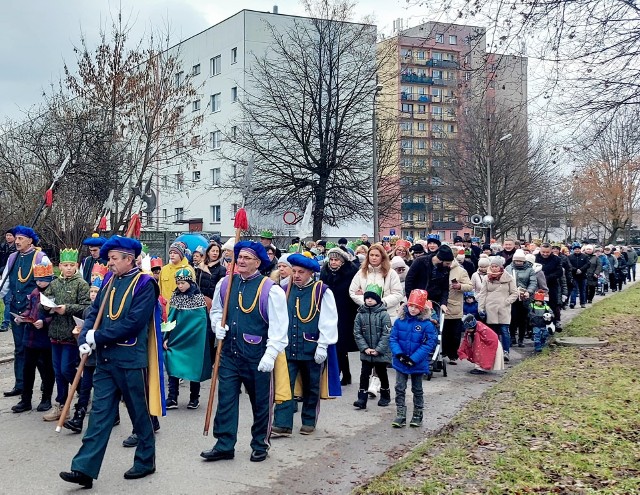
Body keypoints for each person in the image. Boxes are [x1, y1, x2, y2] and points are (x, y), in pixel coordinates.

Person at [60, 235, 164, 488]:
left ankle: (146, 460)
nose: (110, 263)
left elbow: (133, 323)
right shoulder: (109, 280)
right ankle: (84, 468)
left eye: (114, 259)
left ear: (129, 259)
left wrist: (99, 336)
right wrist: (85, 336)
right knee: (99, 414)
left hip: (130, 359)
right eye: (109, 259)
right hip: (105, 359)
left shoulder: (146, 284)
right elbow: (93, 312)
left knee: (139, 413)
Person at [201, 241, 289, 463]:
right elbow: (218, 310)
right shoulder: (225, 283)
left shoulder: (271, 289)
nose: (240, 261)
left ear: (258, 262)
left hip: (257, 355)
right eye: (239, 257)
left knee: (260, 403)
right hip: (229, 353)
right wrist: (216, 326)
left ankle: (260, 444)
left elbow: (279, 327)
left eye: (246, 258)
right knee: (226, 400)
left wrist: (270, 354)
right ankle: (224, 444)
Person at [271, 254, 338, 437]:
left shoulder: (322, 291)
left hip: (312, 347)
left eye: (301, 272)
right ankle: (282, 424)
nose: (296, 275)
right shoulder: (284, 288)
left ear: (310, 273)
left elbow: (329, 320)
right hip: (289, 346)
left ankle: (308, 420)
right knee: (285, 384)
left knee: (311, 386)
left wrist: (323, 345)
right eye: (294, 271)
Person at [41, 248, 91, 421]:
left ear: (76, 266)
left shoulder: (81, 284)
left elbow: (86, 307)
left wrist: (67, 308)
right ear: (59, 266)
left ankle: (83, 392)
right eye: (65, 265)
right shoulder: (54, 284)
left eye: (71, 265)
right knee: (58, 371)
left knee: (66, 369)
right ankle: (62, 405)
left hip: (72, 334)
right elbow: (45, 301)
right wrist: (47, 307)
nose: (68, 268)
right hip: (55, 333)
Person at [0, 225, 48, 397]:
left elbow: (47, 284)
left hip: (35, 311)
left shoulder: (40, 257)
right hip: (16, 309)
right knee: (20, 348)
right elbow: (5, 282)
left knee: (39, 350)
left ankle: (47, 382)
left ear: (30, 241)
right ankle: (20, 384)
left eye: (20, 238)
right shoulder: (12, 257)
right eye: (16, 238)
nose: (17, 241)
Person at [64, 263, 109, 433]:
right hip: (89, 355)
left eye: (96, 292)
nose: (92, 295)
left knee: (104, 388)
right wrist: (80, 336)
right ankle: (79, 417)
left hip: (103, 354)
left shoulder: (107, 309)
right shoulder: (88, 310)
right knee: (85, 387)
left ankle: (113, 415)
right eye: (91, 291)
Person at [11, 257, 55, 413]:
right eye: (37, 280)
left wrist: (44, 321)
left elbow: (55, 313)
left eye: (43, 280)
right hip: (30, 337)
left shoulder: (53, 291)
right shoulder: (34, 292)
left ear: (49, 279)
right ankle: (26, 399)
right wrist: (22, 317)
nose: (40, 283)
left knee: (47, 369)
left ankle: (46, 398)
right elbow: (29, 309)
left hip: (46, 338)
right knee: (28, 369)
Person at [389, 289, 438, 428]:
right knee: (399, 387)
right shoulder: (399, 321)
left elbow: (429, 343)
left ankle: (417, 413)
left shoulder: (427, 324)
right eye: (411, 306)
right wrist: (399, 354)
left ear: (422, 308)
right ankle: (400, 414)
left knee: (417, 388)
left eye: (417, 307)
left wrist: (414, 359)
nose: (413, 309)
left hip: (417, 362)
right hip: (401, 360)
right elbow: (393, 338)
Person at [164, 268, 210, 410]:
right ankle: (172, 397)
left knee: (194, 368)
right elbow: (170, 319)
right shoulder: (175, 297)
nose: (180, 286)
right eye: (178, 283)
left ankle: (194, 398)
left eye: (183, 283)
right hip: (177, 339)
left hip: (194, 341)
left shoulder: (198, 298)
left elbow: (201, 321)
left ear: (190, 282)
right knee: (173, 366)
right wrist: (166, 337)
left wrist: (198, 338)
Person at [319, 247, 359, 386]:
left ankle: (343, 374)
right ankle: (341, 373)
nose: (333, 262)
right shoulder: (324, 272)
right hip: (329, 309)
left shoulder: (351, 272)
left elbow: (354, 290)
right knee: (332, 342)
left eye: (336, 260)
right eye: (331, 259)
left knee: (341, 343)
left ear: (342, 261)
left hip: (345, 311)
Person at [352, 284, 392, 410]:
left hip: (380, 352)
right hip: (366, 352)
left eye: (372, 298)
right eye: (367, 298)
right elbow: (357, 333)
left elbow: (387, 333)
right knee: (364, 374)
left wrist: (378, 349)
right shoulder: (360, 314)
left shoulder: (383, 315)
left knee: (382, 373)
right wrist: (365, 348)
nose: (369, 300)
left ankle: (385, 394)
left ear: (378, 300)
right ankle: (361, 398)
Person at [477, 256, 518, 362]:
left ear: (501, 267)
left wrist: (507, 302)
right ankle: (494, 351)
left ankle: (506, 351)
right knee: (492, 332)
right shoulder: (487, 278)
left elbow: (514, 293)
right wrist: (481, 308)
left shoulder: (509, 278)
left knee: (504, 330)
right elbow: (482, 294)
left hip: (503, 308)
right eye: (492, 266)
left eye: (496, 266)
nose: (494, 268)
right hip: (490, 308)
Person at [349, 244, 404, 320]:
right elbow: (353, 292)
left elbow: (398, 294)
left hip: (387, 315)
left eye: (377, 255)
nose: (374, 258)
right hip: (367, 315)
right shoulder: (361, 273)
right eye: (371, 255)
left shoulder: (391, 273)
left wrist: (381, 302)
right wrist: (366, 302)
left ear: (382, 257)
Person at [404, 244, 454, 313]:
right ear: (440, 260)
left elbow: (445, 288)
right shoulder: (420, 262)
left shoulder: (445, 269)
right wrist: (411, 300)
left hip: (434, 303)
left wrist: (443, 303)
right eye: (447, 263)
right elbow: (409, 281)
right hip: (416, 302)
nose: (449, 266)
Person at [442, 256, 472, 365]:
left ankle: (452, 354)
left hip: (454, 306)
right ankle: (442, 353)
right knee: (442, 332)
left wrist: (460, 286)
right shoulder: (437, 267)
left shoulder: (460, 270)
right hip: (439, 304)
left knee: (454, 333)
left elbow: (469, 286)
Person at [506, 249, 537, 347]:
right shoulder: (509, 268)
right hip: (512, 296)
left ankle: (521, 339)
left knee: (523, 319)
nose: (518, 262)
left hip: (524, 297)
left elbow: (533, 282)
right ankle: (512, 337)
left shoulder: (530, 269)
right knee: (512, 318)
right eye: (516, 261)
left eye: (520, 261)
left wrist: (529, 291)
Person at [159, 243, 195, 314]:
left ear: (181, 255)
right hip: (165, 311)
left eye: (175, 253)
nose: (172, 255)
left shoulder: (187, 270)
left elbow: (192, 291)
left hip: (181, 311)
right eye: (170, 253)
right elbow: (159, 289)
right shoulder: (164, 269)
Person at [535, 243, 564, 327]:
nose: (545, 254)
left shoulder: (556, 259)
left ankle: (553, 322)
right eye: (543, 252)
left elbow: (559, 272)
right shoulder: (536, 258)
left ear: (551, 251)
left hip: (551, 284)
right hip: (538, 285)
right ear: (540, 250)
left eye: (547, 252)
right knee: (537, 304)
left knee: (552, 304)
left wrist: (546, 278)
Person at [0, 228, 17, 332]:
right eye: (7, 235)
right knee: (5, 298)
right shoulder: (2, 247)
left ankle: (5, 323)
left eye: (10, 235)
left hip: (10, 276)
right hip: (2, 275)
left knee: (8, 300)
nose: (8, 237)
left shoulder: (16, 249)